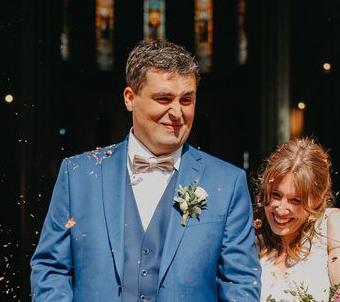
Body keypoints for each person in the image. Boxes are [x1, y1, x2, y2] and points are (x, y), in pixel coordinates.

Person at [30, 40, 261, 301]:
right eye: (163, 98)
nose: (176, 112)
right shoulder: (78, 175)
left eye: (187, 100)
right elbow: (51, 270)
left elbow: (239, 282)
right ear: (130, 98)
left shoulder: (228, 182)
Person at [254, 137, 340, 302]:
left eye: (295, 200)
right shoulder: (249, 232)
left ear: (318, 198)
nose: (281, 209)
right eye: (276, 195)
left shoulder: (331, 225)